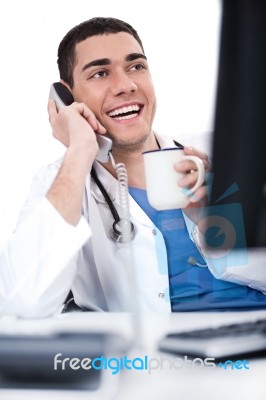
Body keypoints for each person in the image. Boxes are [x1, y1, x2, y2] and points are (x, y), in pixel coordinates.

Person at [0, 17, 266, 318]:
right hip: (164, 359)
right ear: (68, 97)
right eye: (100, 73)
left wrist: (217, 223)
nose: (126, 85)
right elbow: (24, 302)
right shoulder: (60, 182)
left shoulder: (222, 152)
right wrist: (80, 151)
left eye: (136, 66)